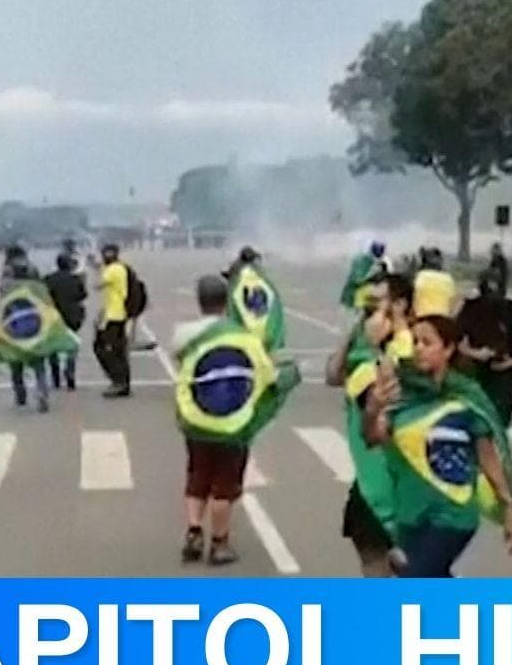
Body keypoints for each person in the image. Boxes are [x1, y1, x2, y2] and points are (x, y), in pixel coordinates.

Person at [357, 313, 512, 579]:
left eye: (427, 342)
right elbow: (371, 438)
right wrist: (373, 408)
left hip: (453, 513)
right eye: (415, 341)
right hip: (410, 514)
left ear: (448, 349)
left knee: (415, 579)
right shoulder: (400, 394)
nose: (419, 348)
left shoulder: (466, 400)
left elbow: (489, 458)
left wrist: (510, 509)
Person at [173, 273, 301, 566]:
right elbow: (267, 376)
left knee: (197, 477)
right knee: (224, 485)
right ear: (227, 301)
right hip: (231, 424)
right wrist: (291, 375)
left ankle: (193, 532)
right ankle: (219, 542)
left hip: (196, 419)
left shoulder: (185, 337)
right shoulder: (243, 338)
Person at [328, 271, 412, 577]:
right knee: (371, 557)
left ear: (400, 306)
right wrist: (353, 334)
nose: (368, 309)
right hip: (371, 480)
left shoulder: (414, 347)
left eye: (377, 303)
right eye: (366, 303)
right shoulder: (365, 347)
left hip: (406, 483)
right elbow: (333, 375)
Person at [0, 252, 76, 413]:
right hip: (36, 329)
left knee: (16, 365)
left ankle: (21, 396)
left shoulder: (6, 288)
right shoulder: (40, 288)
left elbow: (3, 310)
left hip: (13, 330)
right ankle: (42, 394)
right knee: (39, 366)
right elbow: (49, 309)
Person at [457, 268, 512, 428]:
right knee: (478, 420)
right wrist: (476, 353)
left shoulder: (510, 309)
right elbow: (456, 341)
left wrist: (511, 362)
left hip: (504, 373)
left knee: (501, 420)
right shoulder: (471, 308)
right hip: (476, 373)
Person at [224, 245, 285, 350]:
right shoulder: (264, 281)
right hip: (269, 337)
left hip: (247, 341)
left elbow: (232, 316)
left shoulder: (236, 280)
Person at [94, 242, 134, 398]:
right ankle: (123, 383)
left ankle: (118, 381)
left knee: (103, 348)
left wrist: (95, 268)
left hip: (114, 315)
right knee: (119, 350)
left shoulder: (112, 270)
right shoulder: (121, 268)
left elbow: (97, 285)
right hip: (118, 313)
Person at [43, 251, 87, 391]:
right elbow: (82, 295)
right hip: (72, 316)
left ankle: (55, 375)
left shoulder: (48, 279)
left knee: (52, 346)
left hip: (53, 317)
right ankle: (70, 371)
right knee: (71, 346)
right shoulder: (75, 279)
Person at [412, 245, 457, 318]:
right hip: (443, 318)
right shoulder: (448, 279)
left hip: (422, 318)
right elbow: (452, 302)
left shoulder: (419, 277)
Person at [341, 241, 385, 311]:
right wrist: (373, 278)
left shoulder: (377, 262)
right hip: (352, 299)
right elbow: (358, 280)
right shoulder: (364, 261)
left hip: (361, 298)